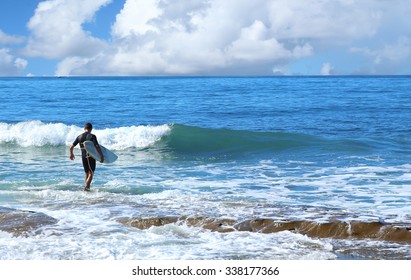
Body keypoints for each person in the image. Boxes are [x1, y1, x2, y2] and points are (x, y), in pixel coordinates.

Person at [70, 123, 104, 191]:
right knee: (91, 173)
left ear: (84, 128)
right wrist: (101, 155)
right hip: (90, 156)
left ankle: (87, 189)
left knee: (86, 173)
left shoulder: (79, 136)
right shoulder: (92, 136)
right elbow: (96, 146)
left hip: (83, 156)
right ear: (91, 129)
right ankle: (86, 187)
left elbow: (71, 147)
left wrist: (71, 154)